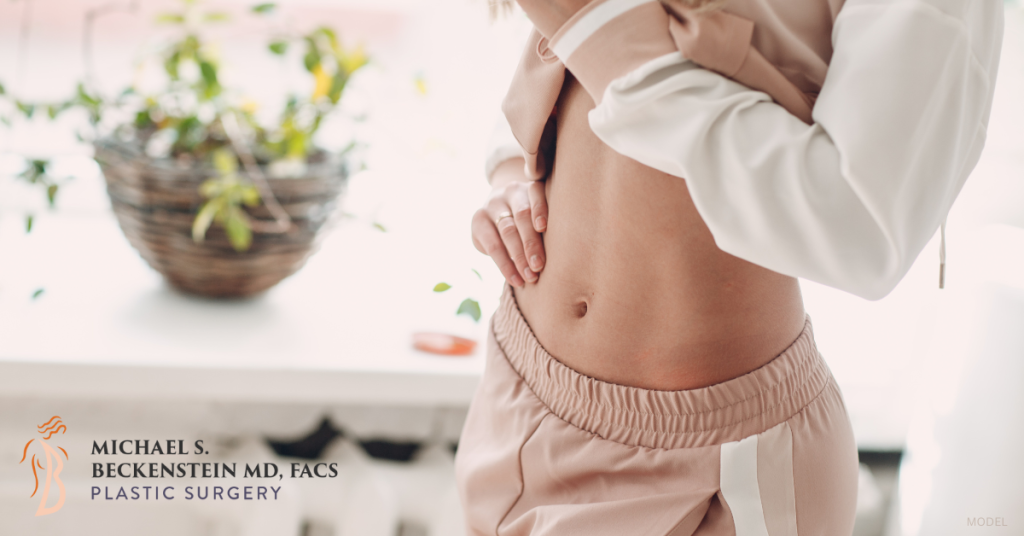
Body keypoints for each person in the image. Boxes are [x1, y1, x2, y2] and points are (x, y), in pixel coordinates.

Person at [455, 0, 1003, 534]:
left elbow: (864, 227)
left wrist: (609, 41)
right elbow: (564, 36)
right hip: (517, 387)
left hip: (711, 469)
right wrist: (512, 171)